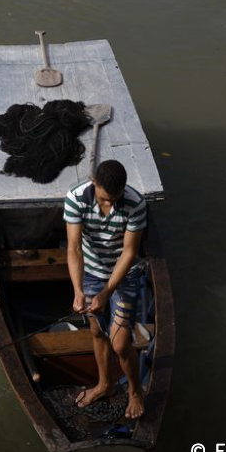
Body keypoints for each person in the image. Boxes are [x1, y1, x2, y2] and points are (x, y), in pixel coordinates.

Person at [63, 159, 148, 420]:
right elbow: (74, 248)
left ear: (123, 189)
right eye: (103, 198)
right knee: (97, 331)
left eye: (114, 198)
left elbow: (130, 253)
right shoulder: (75, 199)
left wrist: (106, 293)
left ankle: (135, 392)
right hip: (90, 272)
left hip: (124, 275)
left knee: (120, 343)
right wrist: (78, 291)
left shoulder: (136, 203)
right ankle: (105, 384)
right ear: (94, 184)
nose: (109, 203)